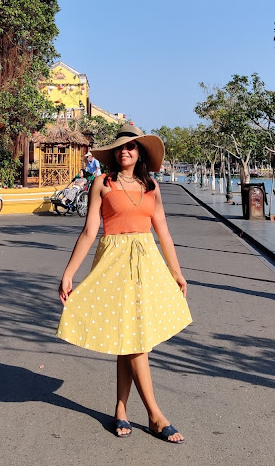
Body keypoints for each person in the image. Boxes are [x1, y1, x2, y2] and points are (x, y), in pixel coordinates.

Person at [56, 124, 192, 442]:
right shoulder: (102, 183)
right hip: (113, 265)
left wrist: (176, 271)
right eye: (119, 147)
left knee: (130, 338)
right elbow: (90, 231)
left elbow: (164, 233)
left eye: (131, 147)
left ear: (140, 153)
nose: (125, 151)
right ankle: (155, 415)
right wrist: (68, 272)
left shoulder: (151, 186)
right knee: (134, 339)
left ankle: (120, 409)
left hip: (147, 265)